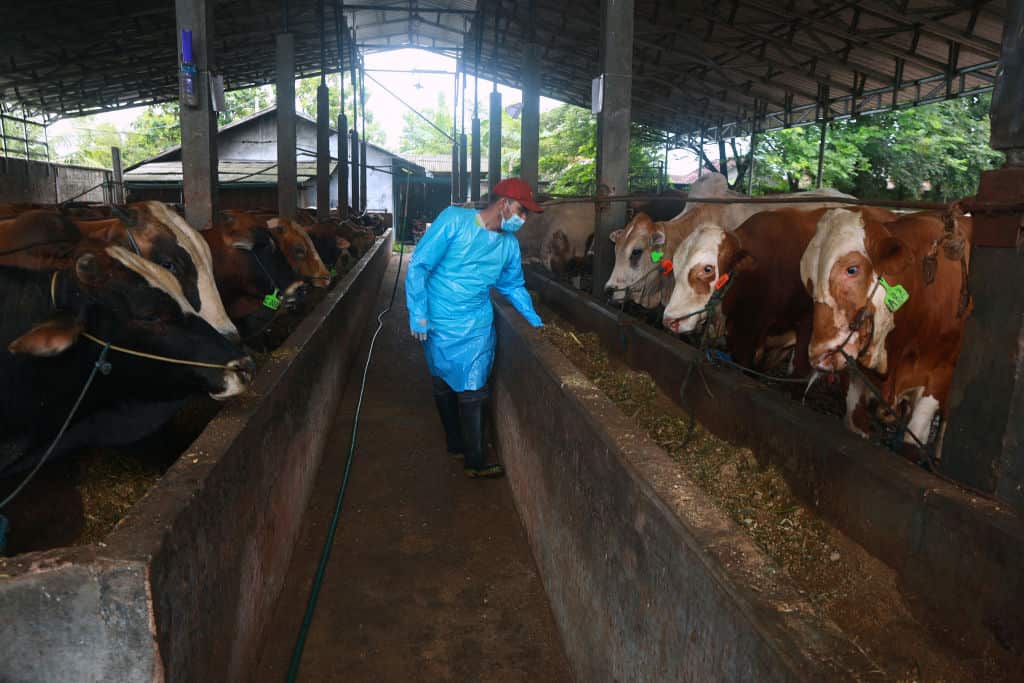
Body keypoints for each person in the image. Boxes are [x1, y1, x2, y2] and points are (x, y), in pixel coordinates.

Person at [406, 178, 544, 478]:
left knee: (474, 387)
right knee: (441, 379)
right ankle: (454, 442)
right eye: (522, 211)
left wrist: (534, 318)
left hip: (476, 324)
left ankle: (475, 458)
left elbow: (512, 284)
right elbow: (419, 264)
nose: (523, 220)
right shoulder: (453, 221)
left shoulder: (508, 246)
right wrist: (418, 313)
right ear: (504, 204)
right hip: (439, 319)